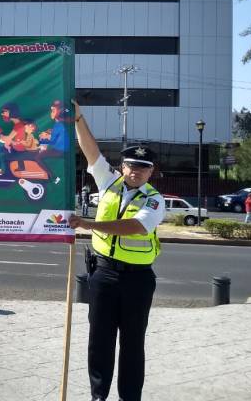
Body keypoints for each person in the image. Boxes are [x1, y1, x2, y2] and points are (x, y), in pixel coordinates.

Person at [68, 100, 166, 401]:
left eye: (143, 167)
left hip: (138, 279)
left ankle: (129, 397)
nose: (136, 171)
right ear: (122, 166)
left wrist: (88, 224)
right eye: (132, 165)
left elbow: (136, 227)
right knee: (99, 340)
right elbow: (91, 151)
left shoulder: (155, 200)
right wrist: (79, 119)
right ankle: (98, 395)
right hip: (104, 273)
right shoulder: (108, 182)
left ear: (151, 172)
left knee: (133, 343)